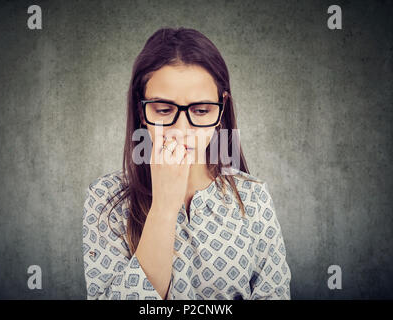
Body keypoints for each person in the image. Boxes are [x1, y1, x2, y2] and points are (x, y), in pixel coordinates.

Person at [82, 27, 291, 300]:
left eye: (201, 110)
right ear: (141, 110)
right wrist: (164, 208)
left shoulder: (253, 197)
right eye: (164, 110)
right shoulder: (105, 199)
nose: (181, 129)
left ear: (221, 110)